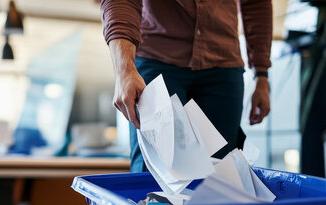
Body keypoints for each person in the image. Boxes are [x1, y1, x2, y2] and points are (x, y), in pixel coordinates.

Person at [101, 0, 272, 172]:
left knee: (223, 176)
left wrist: (262, 75)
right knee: (154, 174)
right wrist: (124, 69)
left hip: (223, 63)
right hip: (158, 57)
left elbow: (256, 4)